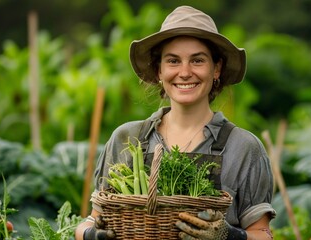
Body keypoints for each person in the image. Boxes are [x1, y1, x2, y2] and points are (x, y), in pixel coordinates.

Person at [75, 5, 276, 240]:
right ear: (159, 71)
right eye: (173, 61)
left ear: (216, 68)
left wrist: (229, 236)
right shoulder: (127, 138)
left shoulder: (243, 147)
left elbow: (262, 234)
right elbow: (91, 220)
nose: (185, 72)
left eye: (197, 60)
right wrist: (91, 235)